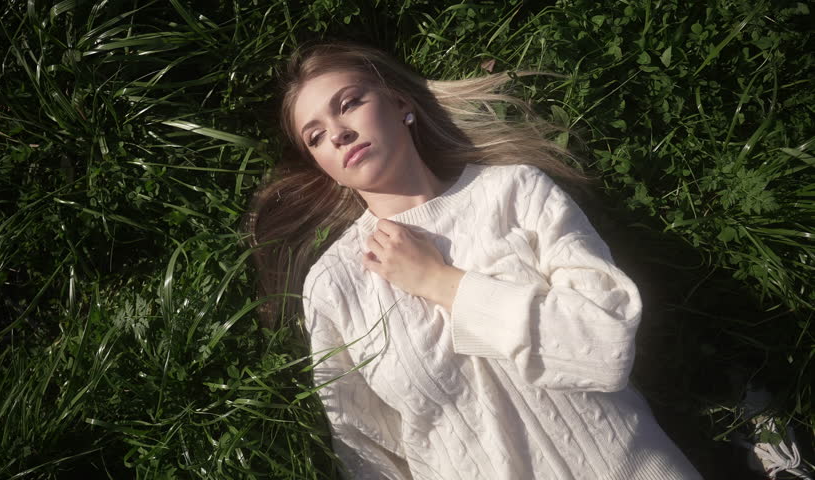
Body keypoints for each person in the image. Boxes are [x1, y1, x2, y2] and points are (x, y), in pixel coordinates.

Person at [244, 40, 702, 479]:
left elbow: (607, 346)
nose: (339, 134)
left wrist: (442, 283)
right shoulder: (334, 283)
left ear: (401, 104)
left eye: (349, 103)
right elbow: (363, 449)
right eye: (317, 136)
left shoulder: (514, 191)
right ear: (322, 164)